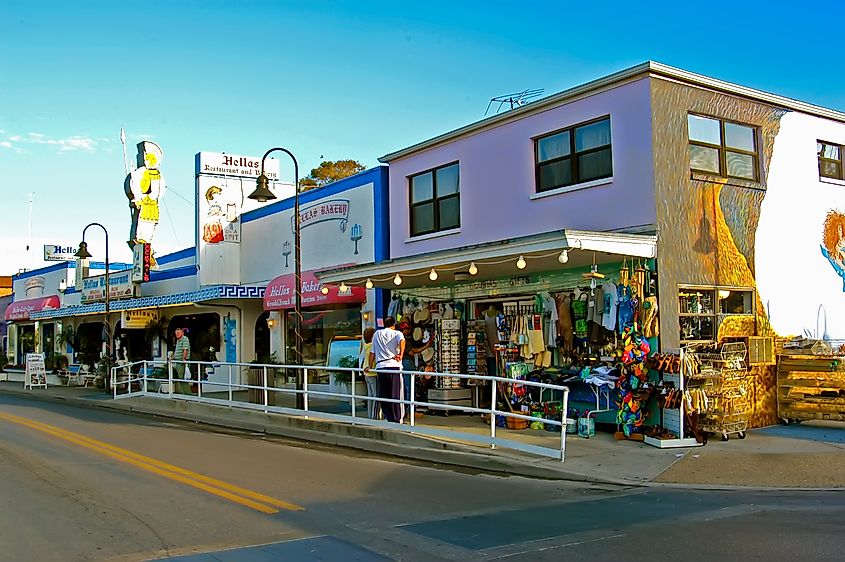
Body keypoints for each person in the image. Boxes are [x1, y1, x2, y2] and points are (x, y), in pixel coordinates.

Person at [369, 317, 405, 422]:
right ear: (394, 324)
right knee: (396, 393)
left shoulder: (377, 334)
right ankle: (397, 417)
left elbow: (372, 352)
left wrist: (370, 365)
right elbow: (402, 341)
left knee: (384, 393)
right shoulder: (397, 333)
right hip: (394, 365)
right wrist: (400, 354)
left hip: (381, 367)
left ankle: (388, 416)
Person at [358, 328, 379, 419]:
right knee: (376, 395)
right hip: (372, 373)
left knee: (370, 395)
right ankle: (374, 416)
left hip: (366, 373)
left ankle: (370, 415)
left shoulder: (365, 346)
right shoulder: (372, 346)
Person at [171, 327, 191, 394]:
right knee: (180, 378)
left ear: (182, 333)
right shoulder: (178, 340)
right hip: (178, 361)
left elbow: (185, 349)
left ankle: (188, 393)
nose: (177, 334)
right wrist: (172, 357)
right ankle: (185, 392)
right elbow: (177, 351)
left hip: (181, 361)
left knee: (182, 378)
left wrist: (184, 359)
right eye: (176, 333)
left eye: (178, 333)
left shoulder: (184, 339)